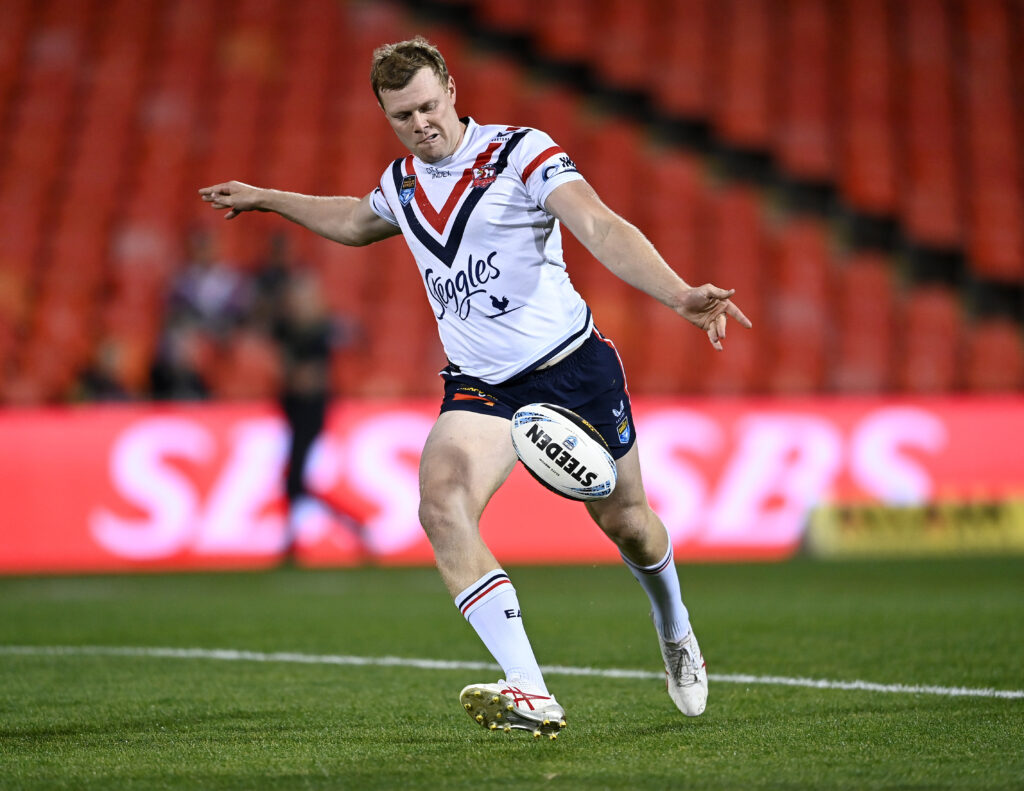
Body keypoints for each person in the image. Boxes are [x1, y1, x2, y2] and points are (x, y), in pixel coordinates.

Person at [200, 36, 751, 738]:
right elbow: (356, 220)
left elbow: (598, 225)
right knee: (441, 503)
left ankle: (673, 623)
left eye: (429, 106)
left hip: (571, 367)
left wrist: (678, 294)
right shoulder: (402, 183)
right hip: (481, 386)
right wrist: (268, 199)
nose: (420, 123)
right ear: (385, 115)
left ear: (452, 91)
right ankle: (530, 689)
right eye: (403, 115)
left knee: (630, 525)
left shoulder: (519, 152)